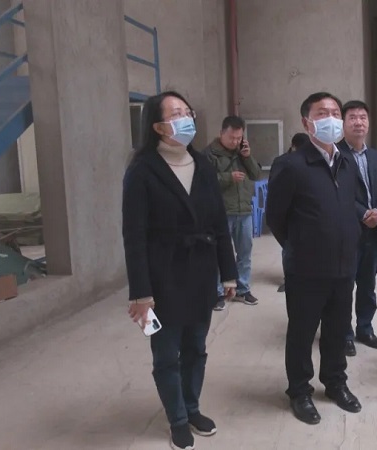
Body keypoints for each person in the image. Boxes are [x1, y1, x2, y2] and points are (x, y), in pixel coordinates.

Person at [123, 91, 238, 450]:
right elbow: (134, 237)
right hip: (163, 278)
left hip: (201, 273)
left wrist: (229, 272)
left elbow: (219, 222)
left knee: (196, 349)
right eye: (176, 114)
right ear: (158, 126)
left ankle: (192, 407)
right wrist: (141, 293)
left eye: (187, 111)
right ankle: (177, 419)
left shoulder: (202, 165)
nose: (186, 118)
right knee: (166, 354)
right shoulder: (142, 170)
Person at [266, 92, 362, 425]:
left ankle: (335, 383)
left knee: (337, 330)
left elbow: (348, 208)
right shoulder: (292, 165)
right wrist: (299, 246)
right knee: (302, 332)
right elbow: (276, 217)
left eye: (336, 112)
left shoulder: (347, 163)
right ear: (307, 122)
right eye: (322, 113)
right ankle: (299, 391)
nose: (331, 118)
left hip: (343, 267)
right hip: (306, 269)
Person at [337, 100, 377, 357]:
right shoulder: (335, 155)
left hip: (373, 232)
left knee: (367, 285)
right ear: (343, 123)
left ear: (368, 123)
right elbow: (338, 192)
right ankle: (344, 334)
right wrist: (363, 214)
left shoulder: (375, 156)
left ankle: (365, 328)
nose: (358, 122)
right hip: (348, 233)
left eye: (362, 117)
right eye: (352, 117)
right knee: (344, 285)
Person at [203, 116, 262, 311]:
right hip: (221, 212)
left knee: (245, 252)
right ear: (221, 133)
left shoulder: (242, 153)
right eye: (232, 138)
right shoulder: (209, 154)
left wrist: (247, 156)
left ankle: (243, 289)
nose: (235, 142)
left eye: (239, 138)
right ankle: (217, 292)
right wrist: (229, 177)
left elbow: (256, 175)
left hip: (244, 210)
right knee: (219, 253)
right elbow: (203, 181)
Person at [277, 132, 311, 293]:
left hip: (306, 214)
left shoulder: (311, 161)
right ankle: (288, 279)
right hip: (289, 213)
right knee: (288, 249)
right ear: (293, 147)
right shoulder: (282, 162)